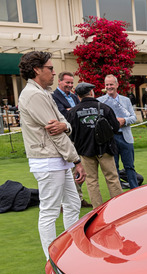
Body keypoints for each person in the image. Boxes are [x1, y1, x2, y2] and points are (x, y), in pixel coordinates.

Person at [17, 51, 85, 260]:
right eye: (50, 68)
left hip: (57, 159)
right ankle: (52, 260)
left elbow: (63, 123)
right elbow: (55, 132)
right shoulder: (35, 94)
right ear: (37, 70)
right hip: (48, 160)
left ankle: (71, 250)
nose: (54, 73)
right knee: (49, 211)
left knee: (73, 203)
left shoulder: (43, 92)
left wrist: (66, 125)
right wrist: (76, 159)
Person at [65, 82, 123, 208]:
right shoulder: (104, 108)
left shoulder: (73, 112)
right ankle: (119, 207)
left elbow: (70, 133)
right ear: (91, 92)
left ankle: (97, 209)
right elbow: (115, 127)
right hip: (105, 149)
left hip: (85, 151)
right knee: (112, 178)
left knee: (91, 181)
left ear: (78, 96)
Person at [50, 71, 90, 207]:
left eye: (72, 83)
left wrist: (71, 110)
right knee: (64, 171)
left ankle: (78, 198)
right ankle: (63, 203)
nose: (70, 85)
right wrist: (73, 111)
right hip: (64, 138)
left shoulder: (74, 96)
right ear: (59, 82)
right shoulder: (53, 97)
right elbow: (63, 114)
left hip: (78, 136)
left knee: (79, 169)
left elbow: (78, 112)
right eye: (67, 82)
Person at [98, 74, 139, 188]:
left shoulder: (125, 100)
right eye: (107, 84)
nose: (109, 87)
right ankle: (117, 192)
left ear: (117, 85)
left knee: (129, 167)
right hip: (110, 138)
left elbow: (134, 117)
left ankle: (135, 190)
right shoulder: (100, 101)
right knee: (113, 167)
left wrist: (123, 121)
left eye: (111, 84)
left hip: (125, 138)